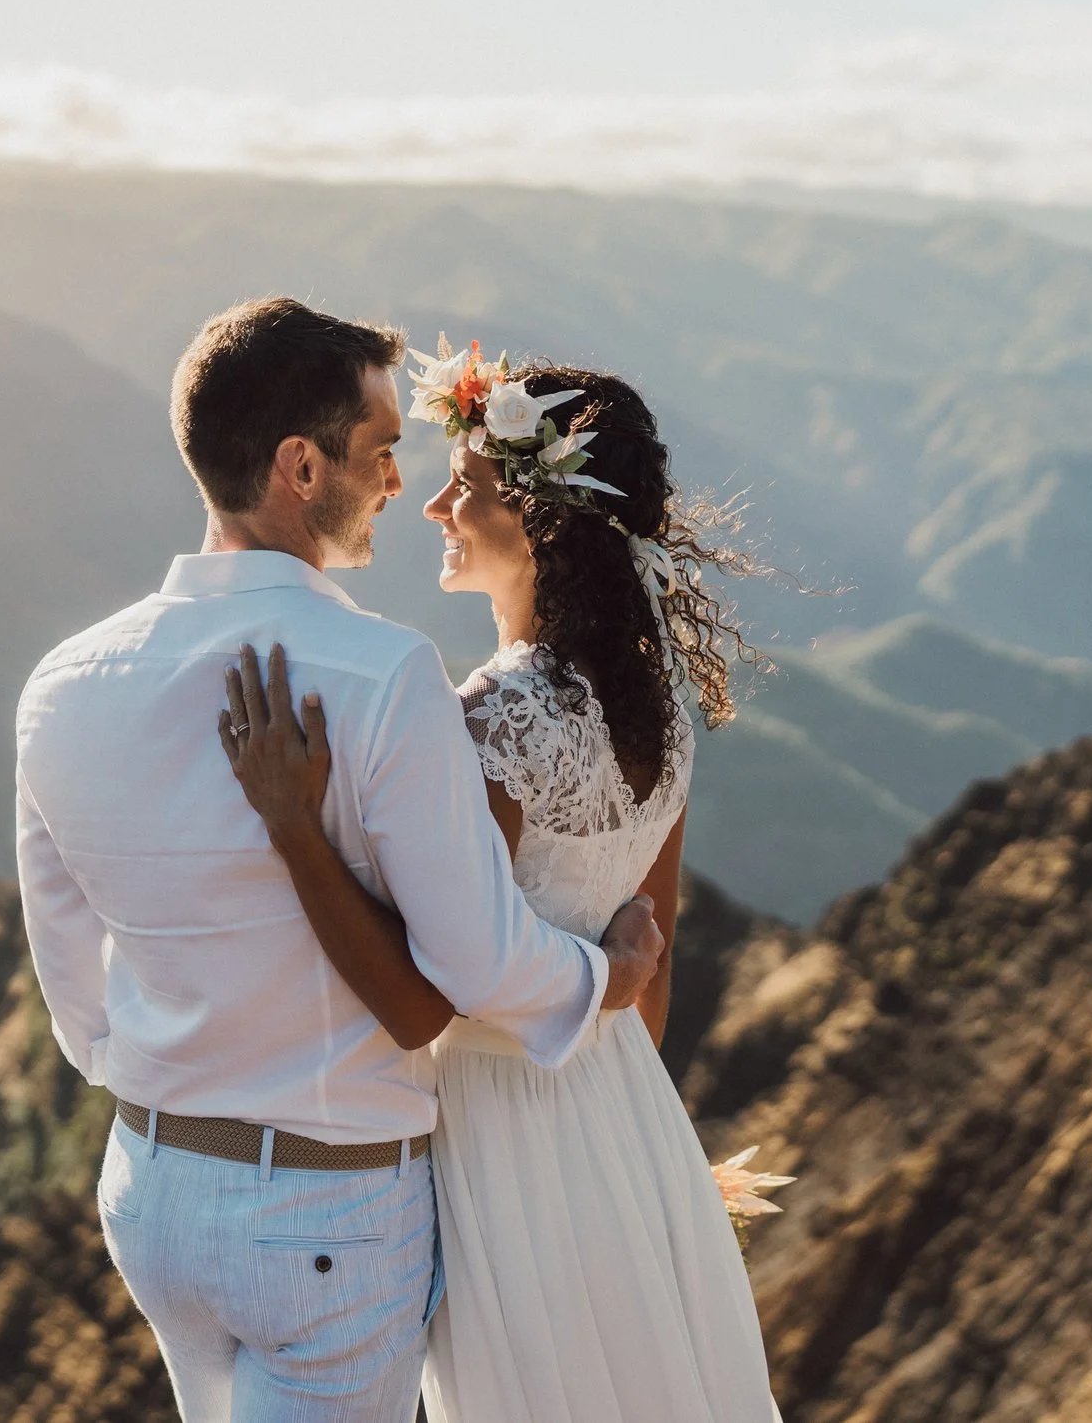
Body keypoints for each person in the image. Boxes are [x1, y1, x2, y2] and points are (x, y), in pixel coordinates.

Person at [14, 299, 667, 1422]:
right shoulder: (378, 675)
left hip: (151, 1188)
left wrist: (179, 1071)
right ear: (300, 465)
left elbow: (68, 970)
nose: (399, 487)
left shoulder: (61, 684)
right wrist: (607, 974)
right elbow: (475, 959)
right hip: (322, 1215)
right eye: (380, 453)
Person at [217, 339, 782, 1421]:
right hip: (622, 1115)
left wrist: (293, 823)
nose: (431, 504)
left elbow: (424, 981)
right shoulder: (652, 708)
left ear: (542, 521)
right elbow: (648, 975)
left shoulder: (492, 722)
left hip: (495, 1132)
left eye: (464, 484)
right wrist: (611, 1135)